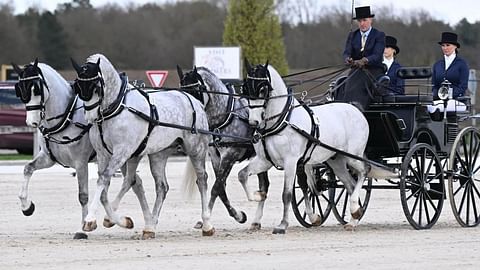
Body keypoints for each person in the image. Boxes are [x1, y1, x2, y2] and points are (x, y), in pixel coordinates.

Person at [340, 6, 385, 110]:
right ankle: (347, 108)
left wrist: (365, 60)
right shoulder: (352, 35)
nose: (362, 23)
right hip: (356, 70)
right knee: (346, 86)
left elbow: (377, 55)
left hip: (374, 70)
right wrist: (348, 59)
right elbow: (346, 52)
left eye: (365, 20)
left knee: (359, 86)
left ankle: (359, 108)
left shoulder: (379, 35)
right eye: (359, 21)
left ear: (370, 20)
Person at [428, 31, 469, 113]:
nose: (445, 48)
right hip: (439, 100)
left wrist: (447, 95)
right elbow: (434, 85)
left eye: (448, 45)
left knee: (441, 106)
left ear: (455, 46)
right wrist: (438, 95)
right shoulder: (437, 65)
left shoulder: (462, 64)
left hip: (457, 101)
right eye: (443, 46)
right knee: (426, 106)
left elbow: (463, 87)